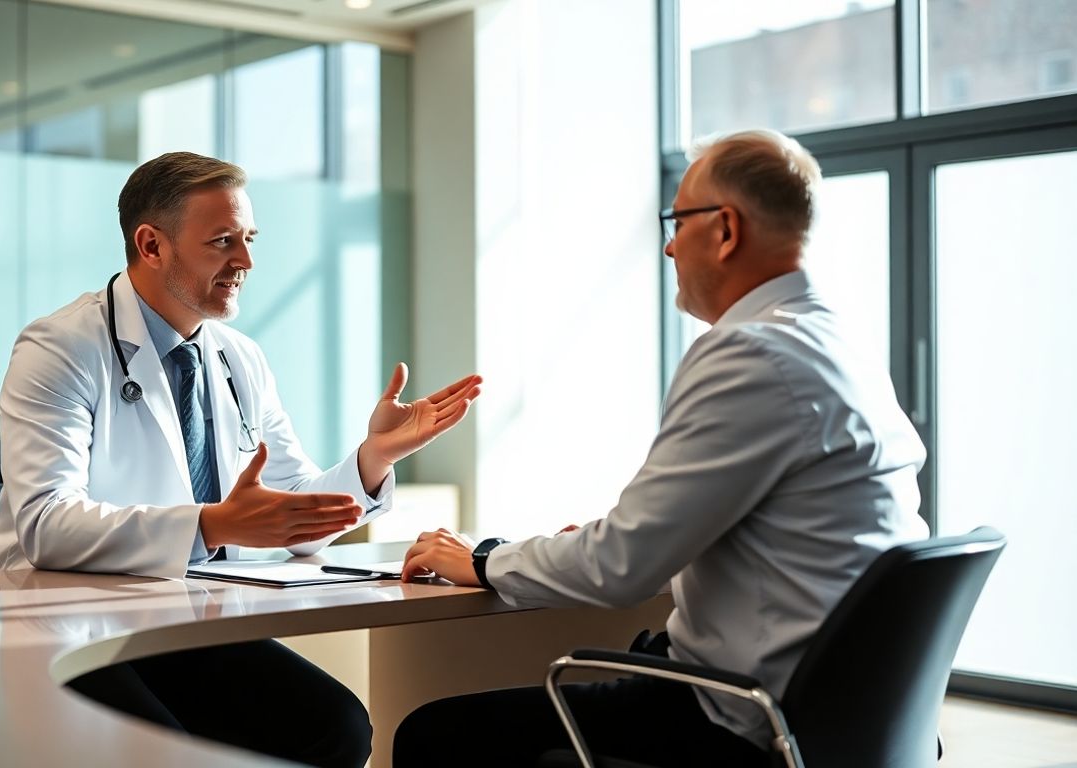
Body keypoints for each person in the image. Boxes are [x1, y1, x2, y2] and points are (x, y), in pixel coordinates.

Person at [393, 129, 928, 768]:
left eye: (676, 221)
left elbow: (620, 567)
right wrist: (607, 540)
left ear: (725, 230)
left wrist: (483, 559)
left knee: (434, 734)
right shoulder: (841, 345)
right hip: (839, 712)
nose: (670, 245)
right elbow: (763, 530)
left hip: (739, 718)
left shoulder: (749, 352)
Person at [0, 151, 481, 768]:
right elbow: (46, 525)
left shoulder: (239, 356)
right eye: (222, 242)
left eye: (248, 239)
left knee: (337, 728)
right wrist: (214, 524)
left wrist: (373, 458)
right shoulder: (60, 348)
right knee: (167, 753)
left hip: (178, 621)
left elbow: (293, 504)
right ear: (151, 245)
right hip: (64, 628)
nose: (245, 261)